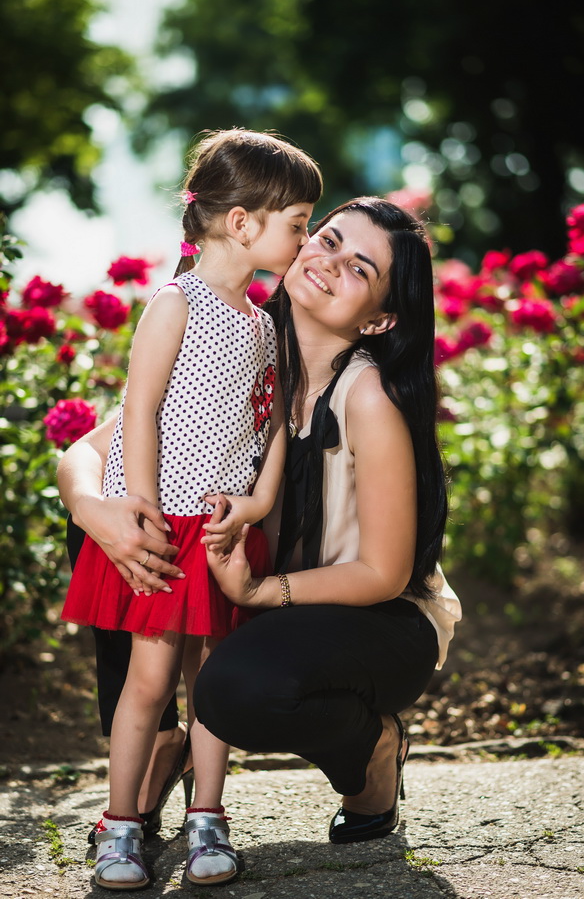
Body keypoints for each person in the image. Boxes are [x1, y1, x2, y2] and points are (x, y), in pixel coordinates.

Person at [58, 197, 460, 867]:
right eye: (325, 238)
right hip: (248, 585)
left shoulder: (368, 397)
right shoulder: (232, 330)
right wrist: (92, 510)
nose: (326, 262)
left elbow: (382, 574)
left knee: (235, 688)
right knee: (117, 524)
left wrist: (257, 589)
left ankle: (373, 754)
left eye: (357, 267)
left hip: (365, 615)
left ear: (381, 318)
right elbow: (93, 452)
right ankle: (160, 742)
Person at [60, 128, 322, 890]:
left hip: (221, 529)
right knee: (148, 681)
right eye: (297, 222)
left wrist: (259, 499)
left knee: (213, 680)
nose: (303, 239)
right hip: (163, 526)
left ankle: (208, 816)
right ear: (242, 223)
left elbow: (268, 420)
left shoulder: (262, 322)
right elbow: (137, 411)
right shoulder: (176, 304)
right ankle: (121, 825)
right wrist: (137, 505)